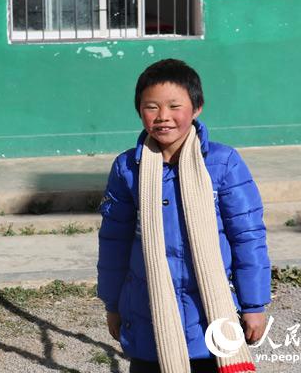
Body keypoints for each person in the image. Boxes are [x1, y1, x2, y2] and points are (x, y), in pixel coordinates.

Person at [97, 59, 271, 373]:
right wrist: (112, 303)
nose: (163, 117)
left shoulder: (223, 164)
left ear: (197, 107)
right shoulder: (127, 169)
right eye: (152, 107)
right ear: (139, 110)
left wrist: (254, 304)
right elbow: (113, 242)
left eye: (175, 106)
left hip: (210, 317)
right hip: (148, 315)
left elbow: (248, 237)